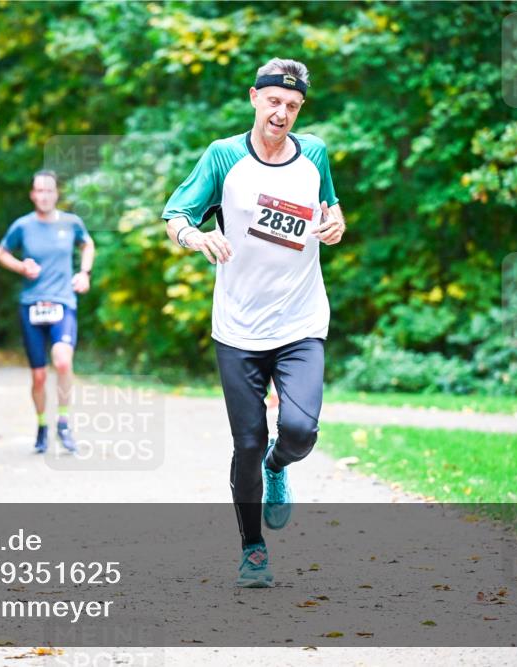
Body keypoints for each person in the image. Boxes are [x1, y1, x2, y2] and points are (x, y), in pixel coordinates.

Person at [162, 58, 346, 587]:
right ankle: (253, 548)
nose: (281, 113)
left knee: (300, 430)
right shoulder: (224, 156)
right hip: (238, 328)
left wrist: (335, 223)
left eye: (291, 105)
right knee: (245, 441)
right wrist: (195, 237)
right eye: (273, 102)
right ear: (254, 98)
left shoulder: (314, 154)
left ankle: (277, 465)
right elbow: (177, 213)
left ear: (300, 108)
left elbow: (331, 208)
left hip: (301, 320)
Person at [0, 170, 95, 454]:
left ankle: (63, 421)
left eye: (48, 191)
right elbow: (0, 253)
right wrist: (21, 266)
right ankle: (42, 425)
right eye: (38, 191)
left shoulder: (71, 223)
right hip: (32, 305)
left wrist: (84, 273)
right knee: (38, 375)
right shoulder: (22, 226)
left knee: (63, 361)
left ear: (56, 193)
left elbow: (87, 244)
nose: (44, 196)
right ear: (32, 194)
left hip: (63, 301)